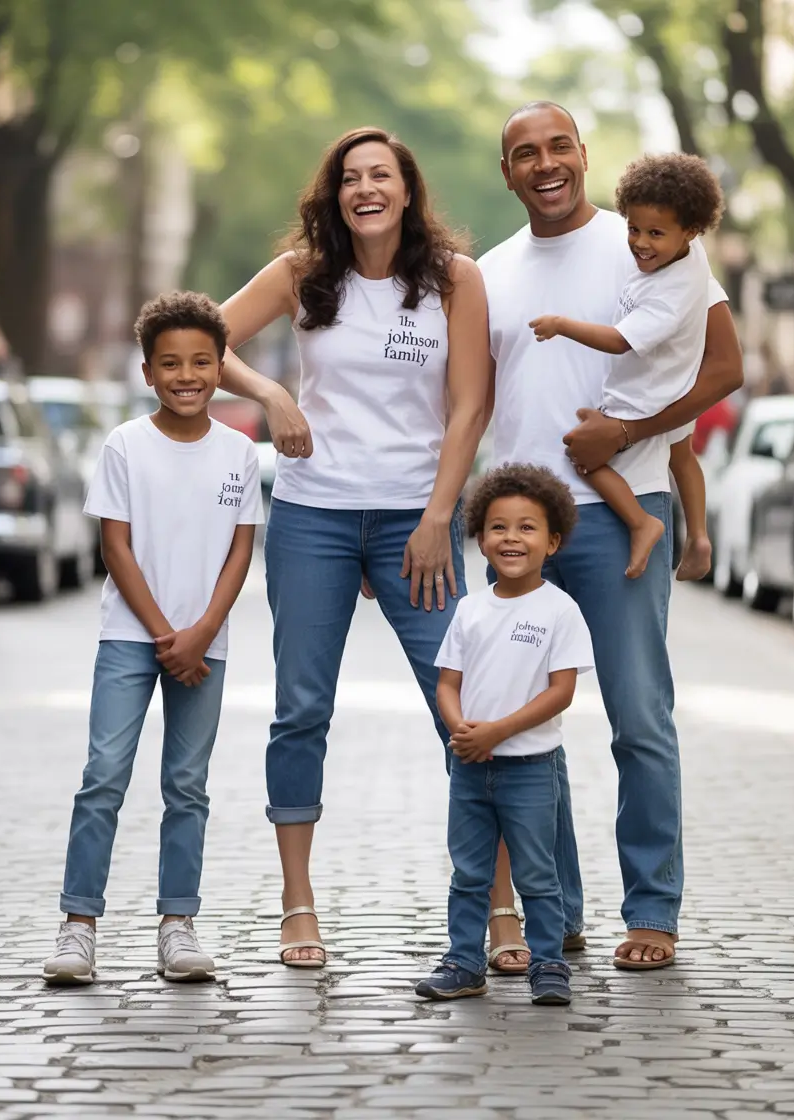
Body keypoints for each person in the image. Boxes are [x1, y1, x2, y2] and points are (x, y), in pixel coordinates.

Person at [213, 127, 490, 967]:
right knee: (301, 711)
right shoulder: (304, 274)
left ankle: (499, 904)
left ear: (408, 190)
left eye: (382, 175)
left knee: (469, 715)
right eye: (350, 178)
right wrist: (270, 393)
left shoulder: (453, 279)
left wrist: (441, 514)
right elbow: (202, 336)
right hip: (315, 518)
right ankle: (298, 906)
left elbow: (470, 405)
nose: (365, 188)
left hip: (419, 520)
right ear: (335, 195)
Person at [479, 102, 743, 970]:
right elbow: (471, 406)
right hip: (525, 531)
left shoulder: (651, 241)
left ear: (583, 156)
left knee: (638, 719)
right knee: (525, 727)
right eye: (526, 153)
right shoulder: (489, 273)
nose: (545, 163)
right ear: (508, 170)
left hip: (630, 507)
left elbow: (726, 369)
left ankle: (653, 912)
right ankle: (558, 911)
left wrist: (629, 436)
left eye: (559, 146)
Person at [42, 292, 265, 985]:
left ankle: (178, 924)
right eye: (170, 363)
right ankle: (79, 926)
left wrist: (200, 633)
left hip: (207, 643)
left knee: (187, 785)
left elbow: (239, 553)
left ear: (221, 368)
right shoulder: (125, 446)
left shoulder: (238, 453)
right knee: (102, 776)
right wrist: (168, 633)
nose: (187, 375)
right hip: (131, 638)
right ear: (148, 372)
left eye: (201, 362)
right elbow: (116, 547)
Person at [415, 465, 593, 1006]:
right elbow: (448, 683)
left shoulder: (560, 610)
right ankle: (464, 961)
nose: (511, 538)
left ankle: (549, 966)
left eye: (527, 528)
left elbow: (561, 693)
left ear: (553, 541)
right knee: (468, 873)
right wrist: (461, 729)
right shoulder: (470, 610)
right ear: (480, 536)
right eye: (498, 527)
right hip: (471, 769)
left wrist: (498, 730)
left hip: (530, 770)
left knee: (538, 875)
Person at [529, 153, 725, 581]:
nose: (640, 243)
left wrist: (562, 324)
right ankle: (699, 535)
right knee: (683, 455)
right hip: (676, 378)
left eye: (655, 233)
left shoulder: (667, 297)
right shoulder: (690, 252)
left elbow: (619, 342)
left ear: (689, 230)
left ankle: (641, 523)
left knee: (584, 457)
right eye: (633, 229)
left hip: (643, 393)